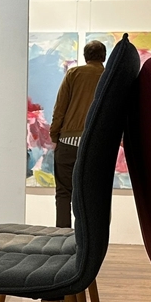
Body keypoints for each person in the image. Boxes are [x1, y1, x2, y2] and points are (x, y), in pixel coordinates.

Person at [49, 39, 106, 227]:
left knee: (64, 193)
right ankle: (89, 238)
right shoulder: (109, 76)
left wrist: (54, 136)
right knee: (92, 196)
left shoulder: (74, 74)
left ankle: (62, 236)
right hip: (96, 145)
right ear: (103, 57)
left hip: (68, 143)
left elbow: (60, 109)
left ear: (85, 56)